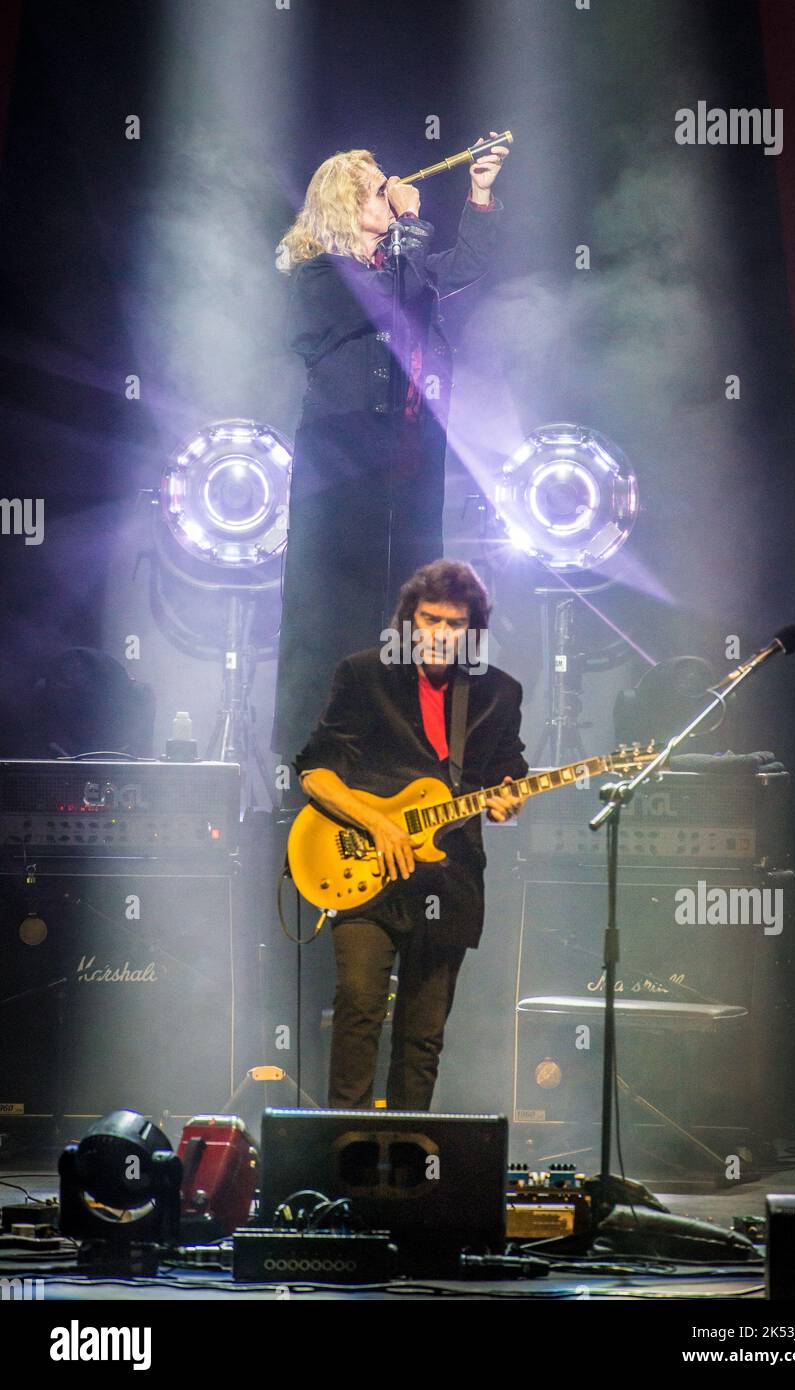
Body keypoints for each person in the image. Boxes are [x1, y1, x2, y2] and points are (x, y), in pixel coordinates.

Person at [270, 136, 510, 777]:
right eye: (378, 188)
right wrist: (406, 221)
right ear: (348, 206)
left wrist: (479, 193)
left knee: (409, 614)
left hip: (407, 475)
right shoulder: (322, 274)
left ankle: (404, 758)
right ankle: (316, 763)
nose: (394, 190)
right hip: (342, 484)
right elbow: (379, 299)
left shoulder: (402, 269)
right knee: (334, 621)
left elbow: (460, 271)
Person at [293, 559, 528, 1111]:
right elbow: (315, 771)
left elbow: (507, 774)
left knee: (422, 1038)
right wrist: (378, 824)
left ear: (473, 630)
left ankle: (405, 1166)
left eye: (454, 623)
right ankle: (340, 1160)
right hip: (367, 870)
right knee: (358, 1008)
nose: (440, 634)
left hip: (450, 880)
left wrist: (508, 801)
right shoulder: (365, 675)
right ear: (408, 620)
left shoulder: (498, 693)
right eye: (429, 620)